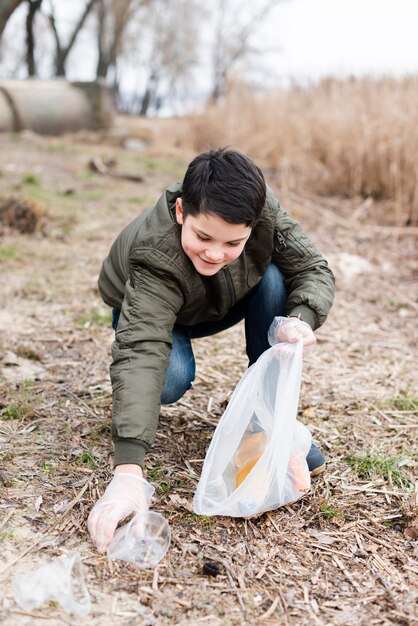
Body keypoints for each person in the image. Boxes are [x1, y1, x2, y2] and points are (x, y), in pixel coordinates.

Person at [88, 147, 335, 552]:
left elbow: (312, 267)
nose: (215, 252)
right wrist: (129, 472)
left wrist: (300, 319)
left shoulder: (263, 213)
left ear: (253, 224)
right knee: (169, 378)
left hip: (219, 296)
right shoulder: (154, 254)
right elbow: (142, 348)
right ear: (183, 210)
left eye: (233, 242)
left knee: (276, 279)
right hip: (152, 308)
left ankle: (267, 426)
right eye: (203, 236)